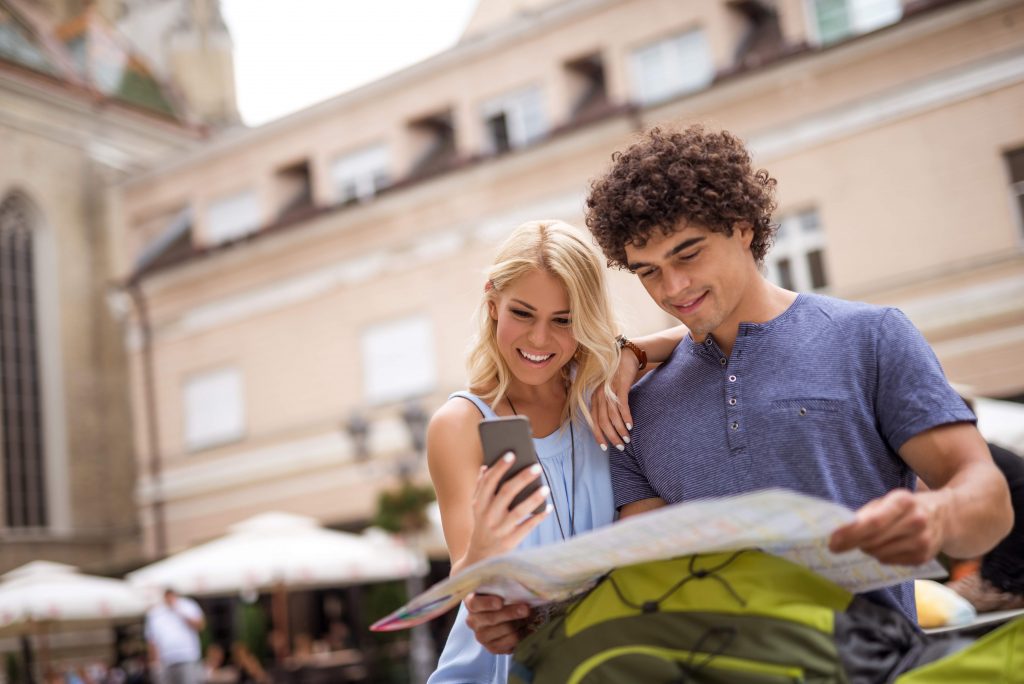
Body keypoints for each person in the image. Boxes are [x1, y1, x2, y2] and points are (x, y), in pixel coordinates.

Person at [465, 125, 1014, 653]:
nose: (673, 288)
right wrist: (535, 621)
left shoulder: (868, 338)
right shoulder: (633, 403)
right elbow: (646, 586)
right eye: (648, 271)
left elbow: (987, 498)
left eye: (688, 253)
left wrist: (938, 517)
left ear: (742, 226)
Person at [426, 220, 683, 683]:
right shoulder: (460, 425)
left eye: (563, 320)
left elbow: (704, 334)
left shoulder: (602, 399)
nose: (540, 340)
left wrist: (630, 355)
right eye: (522, 313)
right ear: (492, 304)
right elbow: (467, 583)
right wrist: (485, 549)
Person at [145, 588, 205, 684]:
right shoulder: (155, 613)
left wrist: (179, 610)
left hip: (187, 657)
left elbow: (200, 626)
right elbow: (152, 640)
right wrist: (154, 663)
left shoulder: (188, 606)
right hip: (166, 661)